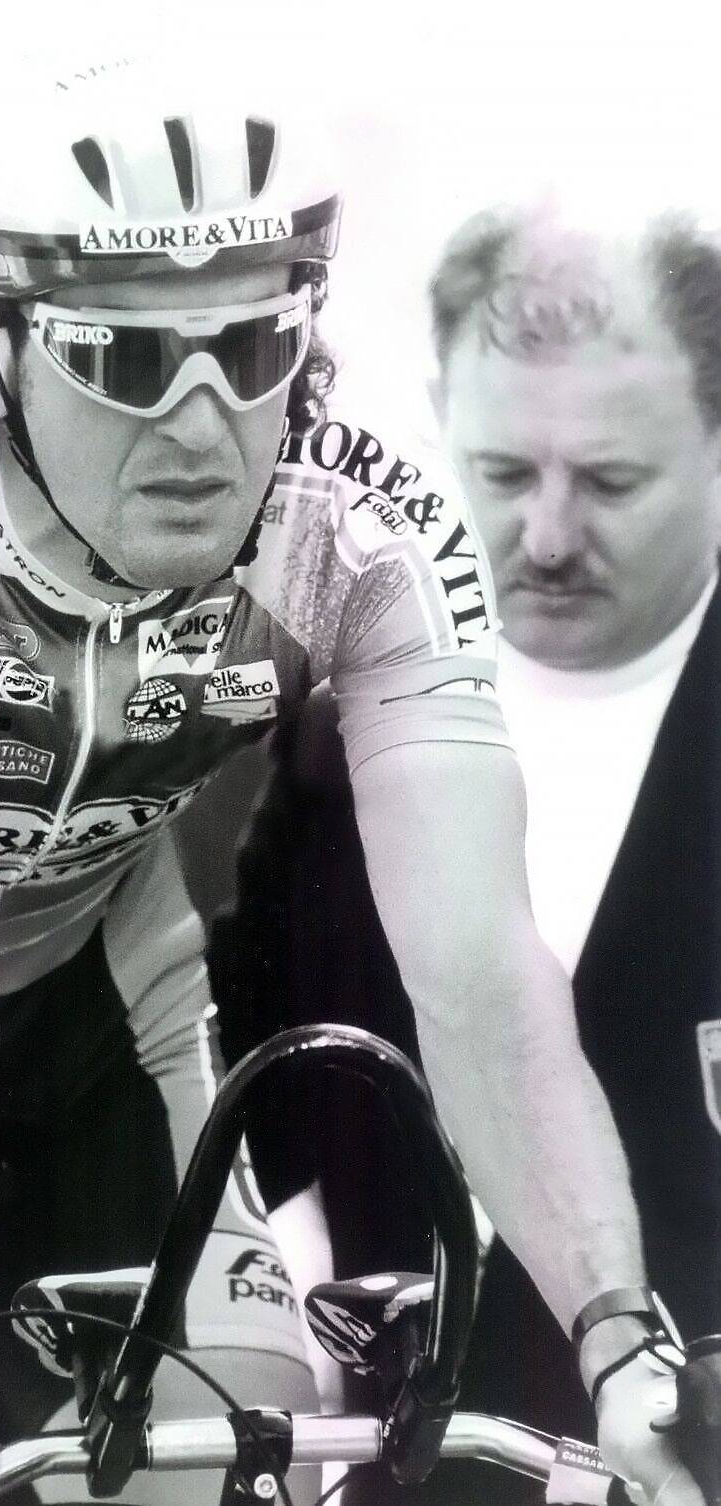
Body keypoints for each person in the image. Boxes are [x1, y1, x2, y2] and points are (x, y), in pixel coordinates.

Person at [0, 61, 698, 1506]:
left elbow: (481, 975)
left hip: (93, 1018)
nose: (200, 420)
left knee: (243, 1445)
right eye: (123, 359)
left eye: (253, 345)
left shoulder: (364, 513)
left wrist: (624, 1346)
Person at [211, 201, 721, 1504]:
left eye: (610, 482)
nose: (546, 537)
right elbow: (236, 1107)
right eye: (501, 473)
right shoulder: (319, 737)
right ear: (441, 412)